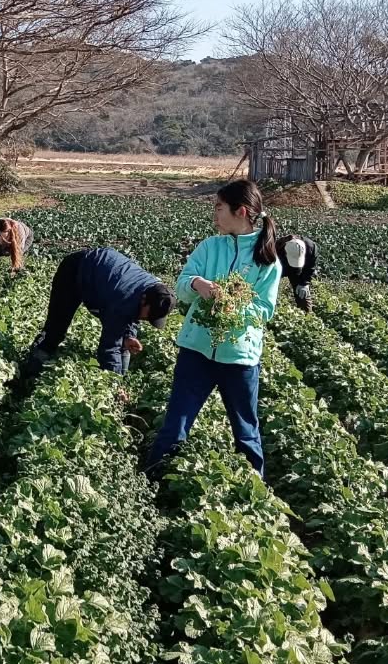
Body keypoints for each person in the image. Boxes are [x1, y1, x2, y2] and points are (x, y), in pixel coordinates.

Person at [146, 179, 281, 479]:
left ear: (241, 211)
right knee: (176, 423)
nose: (215, 215)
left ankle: (255, 494)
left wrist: (233, 305)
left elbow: (264, 310)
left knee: (246, 431)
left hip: (239, 357)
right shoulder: (209, 247)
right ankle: (152, 482)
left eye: (219, 208)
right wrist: (198, 284)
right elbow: (181, 287)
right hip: (196, 350)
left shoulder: (267, 260)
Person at [21, 249, 172, 378]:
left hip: (102, 274)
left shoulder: (152, 289)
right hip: (74, 270)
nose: (146, 319)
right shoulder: (123, 296)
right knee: (56, 328)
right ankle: (29, 373)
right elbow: (109, 347)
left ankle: (120, 379)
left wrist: (129, 336)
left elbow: (133, 314)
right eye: (148, 315)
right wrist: (114, 381)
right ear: (144, 299)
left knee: (123, 341)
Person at [276, 233, 317, 312]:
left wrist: (304, 283)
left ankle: (307, 316)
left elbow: (311, 267)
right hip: (281, 266)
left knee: (303, 295)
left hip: (299, 270)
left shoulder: (311, 248)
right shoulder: (277, 247)